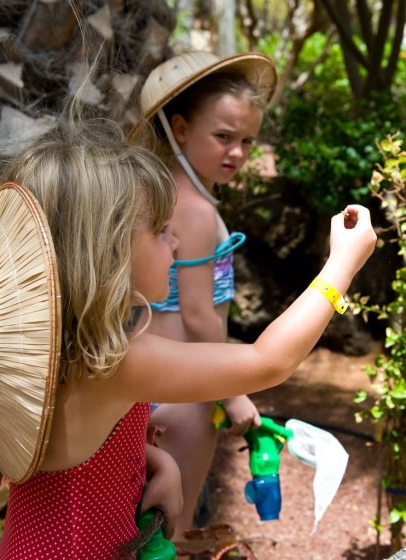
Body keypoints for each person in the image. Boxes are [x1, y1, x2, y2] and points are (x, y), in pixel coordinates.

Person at [0, 112, 376, 559]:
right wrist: (342, 266)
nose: (175, 243)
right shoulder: (117, 362)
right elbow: (269, 361)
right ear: (107, 251)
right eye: (158, 231)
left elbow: (68, 459)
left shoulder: (52, 349)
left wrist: (158, 461)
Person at [131, 50, 278, 537]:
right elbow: (196, 314)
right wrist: (234, 395)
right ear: (179, 128)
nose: (237, 152)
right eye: (223, 136)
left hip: (157, 386)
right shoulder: (192, 208)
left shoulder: (163, 193)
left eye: (247, 141)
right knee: (169, 530)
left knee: (145, 530)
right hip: (185, 394)